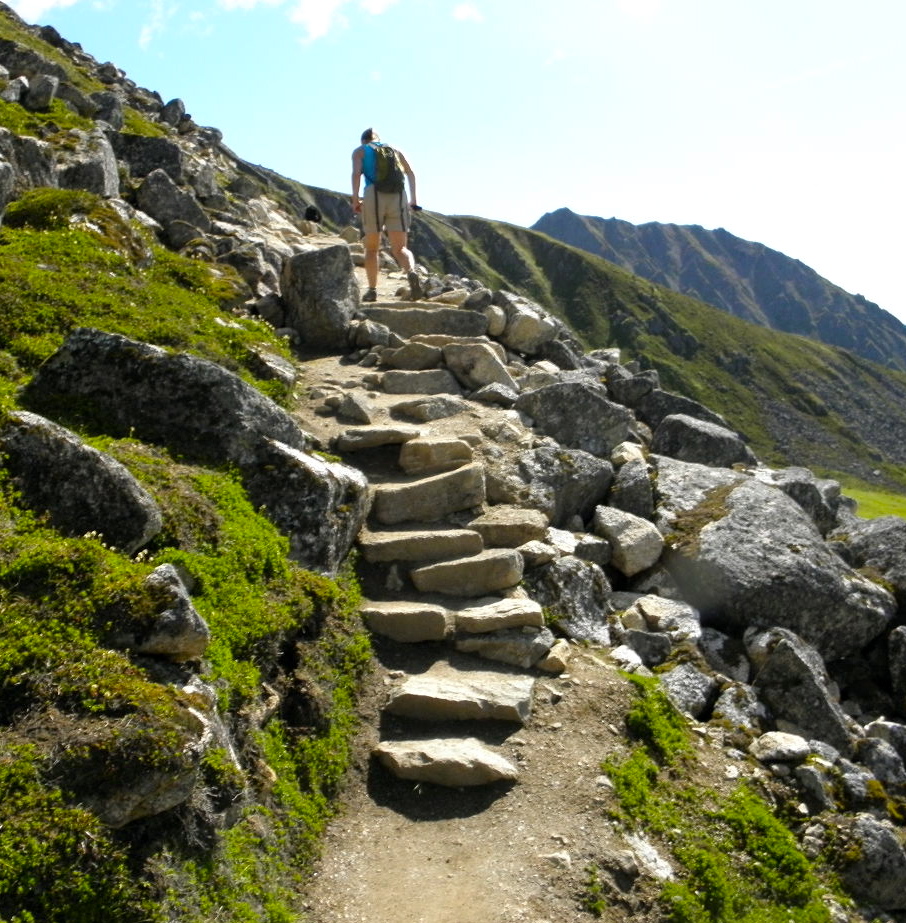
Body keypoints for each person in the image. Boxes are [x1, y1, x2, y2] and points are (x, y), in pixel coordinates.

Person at [351, 128, 422, 302]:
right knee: (400, 248)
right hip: (398, 196)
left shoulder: (360, 151)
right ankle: (411, 272)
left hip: (374, 195)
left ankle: (372, 290)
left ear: (363, 141)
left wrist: (355, 199)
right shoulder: (395, 150)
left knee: (372, 248)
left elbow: (356, 174)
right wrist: (413, 200)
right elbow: (410, 173)